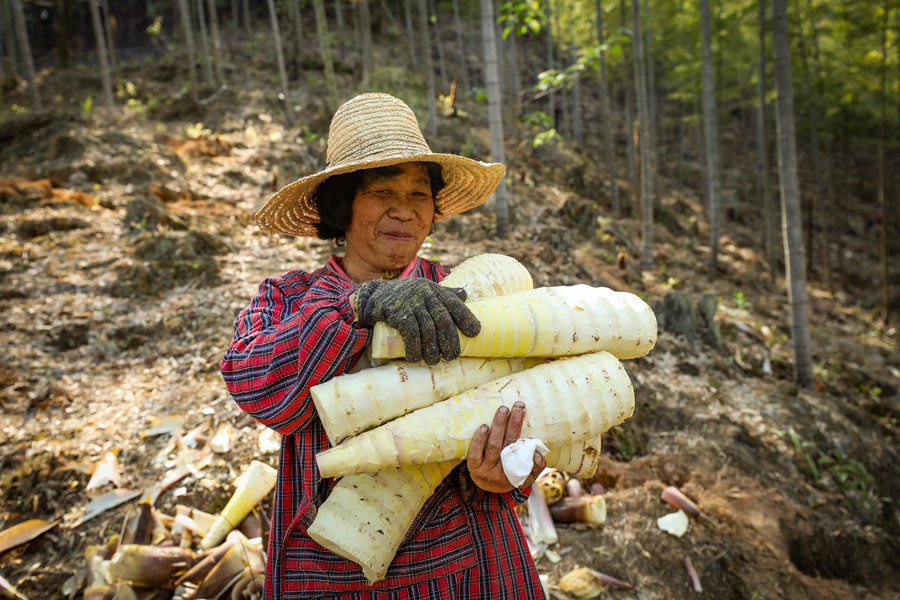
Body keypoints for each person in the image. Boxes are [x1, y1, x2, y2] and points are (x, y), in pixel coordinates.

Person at [221, 93, 546, 598]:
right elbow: (259, 390)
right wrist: (357, 307)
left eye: (419, 194)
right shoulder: (288, 298)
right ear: (342, 204)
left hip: (467, 566)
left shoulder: (466, 293)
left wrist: (506, 472)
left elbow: (529, 398)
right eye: (381, 191)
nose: (404, 210)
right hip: (333, 572)